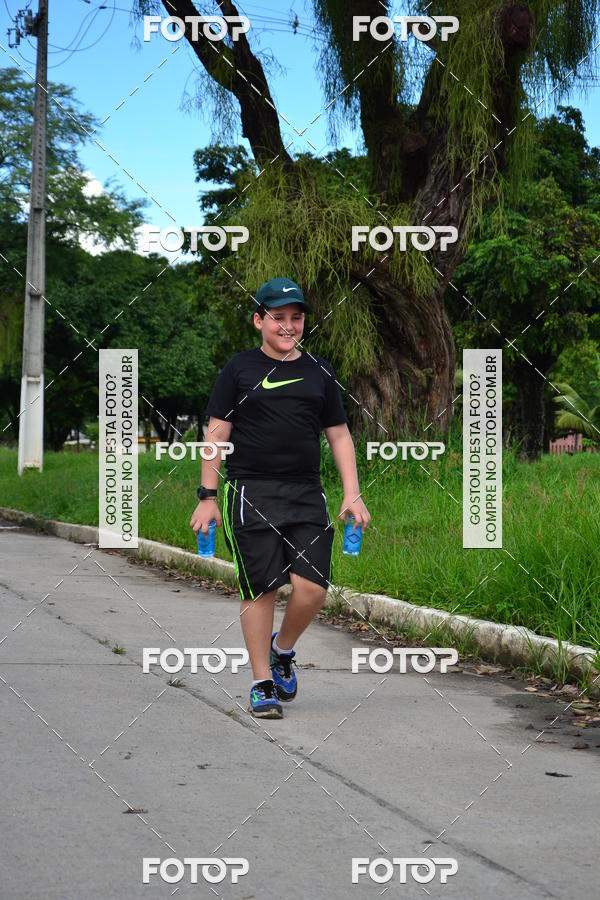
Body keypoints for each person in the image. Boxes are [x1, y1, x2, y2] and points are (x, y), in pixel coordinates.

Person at [190, 277, 370, 718]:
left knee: (312, 589)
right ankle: (262, 683)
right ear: (259, 321)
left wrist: (352, 493)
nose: (288, 325)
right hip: (250, 492)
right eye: (278, 317)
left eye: (297, 317)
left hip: (306, 493)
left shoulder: (319, 371)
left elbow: (339, 435)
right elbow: (216, 434)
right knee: (261, 588)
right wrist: (207, 496)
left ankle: (282, 650)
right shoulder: (239, 369)